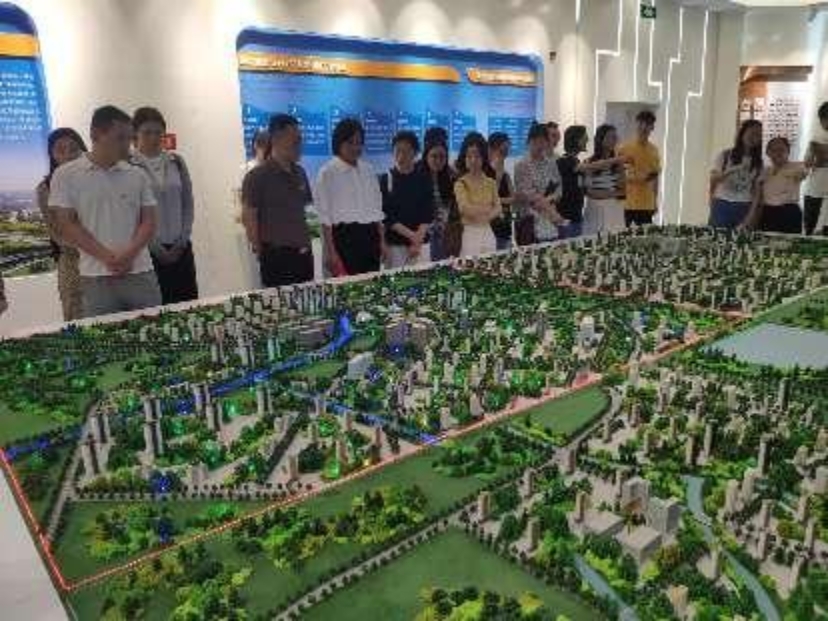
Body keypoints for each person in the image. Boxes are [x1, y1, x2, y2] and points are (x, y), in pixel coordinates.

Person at [50, 105, 161, 318]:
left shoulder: (137, 175)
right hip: (95, 275)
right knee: (105, 334)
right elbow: (67, 224)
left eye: (129, 138)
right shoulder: (66, 175)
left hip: (140, 270)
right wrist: (108, 257)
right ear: (95, 135)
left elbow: (149, 221)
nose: (127, 145)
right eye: (120, 138)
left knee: (153, 330)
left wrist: (128, 255)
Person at [130, 107, 198, 305]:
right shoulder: (128, 166)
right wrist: (153, 246)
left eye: (158, 132)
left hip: (181, 249)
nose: (153, 138)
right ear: (135, 135)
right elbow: (131, 213)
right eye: (147, 132)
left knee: (188, 306)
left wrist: (183, 239)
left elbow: (188, 204)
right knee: (156, 309)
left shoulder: (176, 161)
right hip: (148, 252)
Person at [242, 113, 315, 287]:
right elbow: (249, 217)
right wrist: (261, 251)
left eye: (300, 140)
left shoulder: (300, 173)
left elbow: (306, 210)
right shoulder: (257, 176)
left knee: (307, 302)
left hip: (304, 256)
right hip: (277, 259)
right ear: (275, 139)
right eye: (294, 140)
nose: (299, 145)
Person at [315, 118, 385, 276]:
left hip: (370, 236)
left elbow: (377, 210)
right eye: (350, 142)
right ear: (338, 143)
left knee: (371, 283)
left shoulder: (368, 170)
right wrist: (331, 252)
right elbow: (324, 218)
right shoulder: (327, 173)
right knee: (347, 287)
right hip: (343, 239)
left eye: (359, 143)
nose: (355, 147)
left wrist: (382, 242)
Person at [36, 128, 87, 321]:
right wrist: (93, 250)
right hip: (73, 264)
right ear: (52, 155)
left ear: (83, 150)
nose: (68, 154)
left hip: (106, 263)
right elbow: (56, 233)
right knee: (79, 320)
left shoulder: (98, 179)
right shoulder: (45, 188)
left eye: (73, 148)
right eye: (60, 149)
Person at [380, 131, 434, 268]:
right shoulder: (385, 180)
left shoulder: (424, 178)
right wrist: (412, 236)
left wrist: (417, 241)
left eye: (406, 151)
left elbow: (428, 213)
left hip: (421, 245)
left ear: (415, 153)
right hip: (395, 246)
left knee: (424, 279)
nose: (401, 156)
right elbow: (387, 216)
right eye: (397, 151)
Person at [514, 122, 565, 245]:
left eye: (543, 141)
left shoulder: (551, 163)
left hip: (551, 221)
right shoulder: (522, 165)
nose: (539, 146)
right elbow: (530, 196)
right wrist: (551, 211)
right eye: (535, 141)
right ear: (528, 141)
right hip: (531, 222)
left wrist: (550, 200)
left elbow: (559, 189)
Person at [744, 136, 808, 234]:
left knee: (789, 242)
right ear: (768, 153)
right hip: (767, 212)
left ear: (788, 151)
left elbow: (803, 173)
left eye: (781, 149)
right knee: (766, 241)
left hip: (789, 212)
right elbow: (758, 196)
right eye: (773, 150)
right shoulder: (765, 171)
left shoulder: (797, 166)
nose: (778, 153)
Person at [708, 120, 763, 230]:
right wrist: (732, 170)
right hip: (722, 203)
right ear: (742, 133)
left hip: (744, 206)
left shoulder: (758, 162)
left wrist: (750, 217)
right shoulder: (725, 155)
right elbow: (714, 178)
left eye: (758, 135)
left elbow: (757, 193)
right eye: (751, 132)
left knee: (741, 238)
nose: (754, 137)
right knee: (718, 237)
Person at [454, 133, 501, 257]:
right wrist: (488, 209)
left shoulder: (491, 182)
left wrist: (484, 214)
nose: (473, 160)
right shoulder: (460, 183)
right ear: (464, 158)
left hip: (488, 232)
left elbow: (498, 208)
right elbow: (464, 209)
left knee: (491, 265)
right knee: (469, 267)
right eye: (469, 156)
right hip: (470, 233)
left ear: (483, 158)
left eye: (477, 156)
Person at [583, 124, 628, 235]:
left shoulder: (618, 163)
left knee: (615, 239)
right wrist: (614, 193)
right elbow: (590, 192)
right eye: (610, 137)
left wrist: (619, 165)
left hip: (614, 211)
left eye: (615, 137)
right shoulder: (589, 163)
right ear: (600, 139)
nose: (614, 140)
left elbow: (623, 190)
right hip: (596, 210)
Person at [619, 110, 661, 227]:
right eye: (641, 123)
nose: (644, 127)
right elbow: (619, 175)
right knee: (628, 236)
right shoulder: (624, 148)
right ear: (636, 124)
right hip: (629, 204)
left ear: (652, 127)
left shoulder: (654, 150)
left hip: (647, 204)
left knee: (646, 236)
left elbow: (655, 178)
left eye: (647, 124)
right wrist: (639, 178)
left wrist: (655, 201)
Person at [418, 139, 456, 261]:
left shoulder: (449, 178)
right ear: (426, 156)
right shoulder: (417, 177)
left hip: (444, 235)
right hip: (422, 235)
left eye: (442, 157)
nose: (438, 161)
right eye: (434, 156)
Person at [556, 125, 588, 238]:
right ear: (576, 140)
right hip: (566, 219)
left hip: (577, 217)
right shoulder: (564, 161)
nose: (587, 140)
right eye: (584, 138)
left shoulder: (576, 161)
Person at [486, 132, 515, 250]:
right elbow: (488, 200)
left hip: (504, 226)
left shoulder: (505, 175)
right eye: (502, 151)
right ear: (491, 150)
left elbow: (513, 198)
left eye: (507, 151)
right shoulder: (485, 173)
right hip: (490, 227)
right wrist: (497, 177)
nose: (505, 156)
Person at [804, 102, 828, 235]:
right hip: (814, 189)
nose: (825, 123)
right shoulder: (815, 138)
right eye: (823, 119)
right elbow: (807, 163)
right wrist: (815, 156)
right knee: (810, 228)